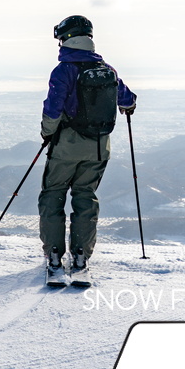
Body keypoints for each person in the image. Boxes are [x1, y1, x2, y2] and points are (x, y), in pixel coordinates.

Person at [39, 15, 136, 287]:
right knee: (85, 196)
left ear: (65, 39)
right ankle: (81, 256)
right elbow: (128, 100)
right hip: (99, 148)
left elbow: (53, 109)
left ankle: (55, 256)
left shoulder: (64, 71)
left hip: (67, 147)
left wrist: (47, 133)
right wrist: (126, 107)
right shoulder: (106, 69)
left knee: (53, 195)